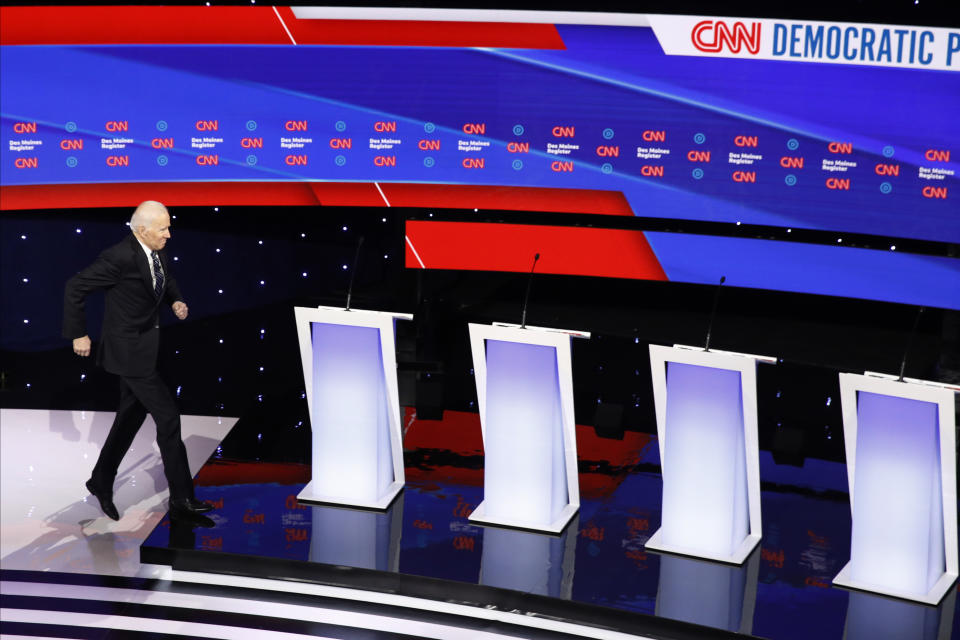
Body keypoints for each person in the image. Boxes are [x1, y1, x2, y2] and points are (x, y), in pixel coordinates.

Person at [63, 200, 213, 520]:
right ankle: (181, 500)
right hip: (128, 353)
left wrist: (176, 300)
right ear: (142, 230)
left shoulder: (155, 248)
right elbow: (75, 287)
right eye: (163, 229)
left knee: (129, 418)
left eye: (169, 227)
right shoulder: (119, 257)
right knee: (168, 419)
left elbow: (164, 278)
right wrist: (78, 334)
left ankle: (100, 481)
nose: (169, 234)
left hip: (147, 347)